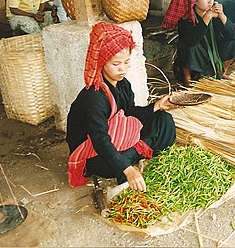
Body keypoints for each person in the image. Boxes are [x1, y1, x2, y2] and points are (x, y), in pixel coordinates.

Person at [67, 22, 176, 191]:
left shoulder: (122, 84)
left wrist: (156, 106)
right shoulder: (94, 96)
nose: (122, 69)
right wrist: (126, 168)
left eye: (126, 62)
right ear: (101, 62)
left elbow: (130, 113)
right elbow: (100, 140)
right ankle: (129, 162)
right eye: (116, 64)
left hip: (114, 137)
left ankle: (131, 156)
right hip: (94, 153)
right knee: (119, 162)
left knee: (164, 120)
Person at [162, 0, 235, 87]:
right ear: (193, 0)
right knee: (188, 45)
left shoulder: (215, 12)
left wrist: (222, 16)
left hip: (214, 56)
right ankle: (187, 79)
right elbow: (192, 41)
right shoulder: (186, 18)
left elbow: (233, 35)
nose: (210, 1)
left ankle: (221, 71)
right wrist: (207, 17)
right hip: (196, 59)